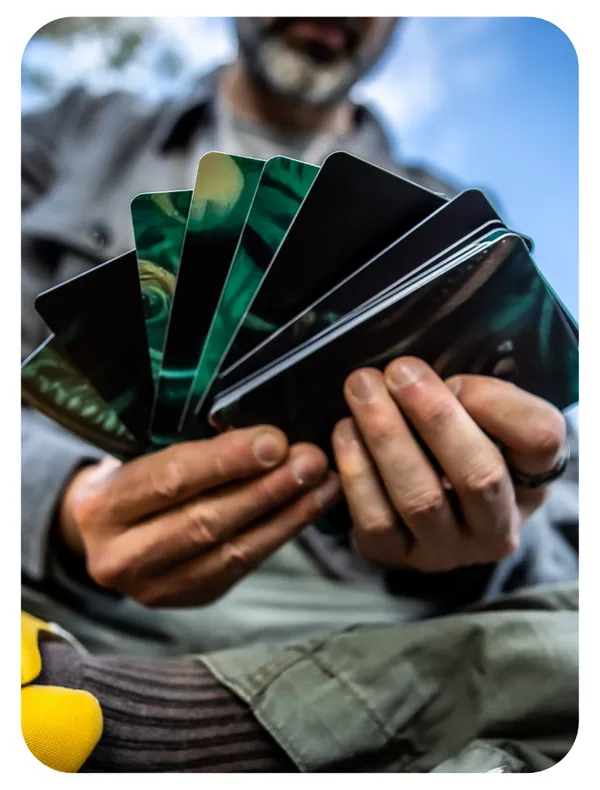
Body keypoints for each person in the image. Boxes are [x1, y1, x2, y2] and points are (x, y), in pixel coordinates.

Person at [21, 18, 579, 773]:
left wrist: (495, 531)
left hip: (379, 630)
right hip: (75, 591)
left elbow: (559, 531)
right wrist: (64, 505)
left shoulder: (452, 216)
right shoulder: (70, 134)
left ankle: (145, 722)